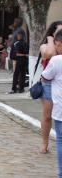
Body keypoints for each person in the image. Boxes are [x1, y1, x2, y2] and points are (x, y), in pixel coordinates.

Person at [38, 21, 62, 154]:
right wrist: (51, 40)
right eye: (58, 31)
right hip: (48, 83)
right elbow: (50, 53)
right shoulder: (45, 46)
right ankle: (45, 143)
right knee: (48, 115)